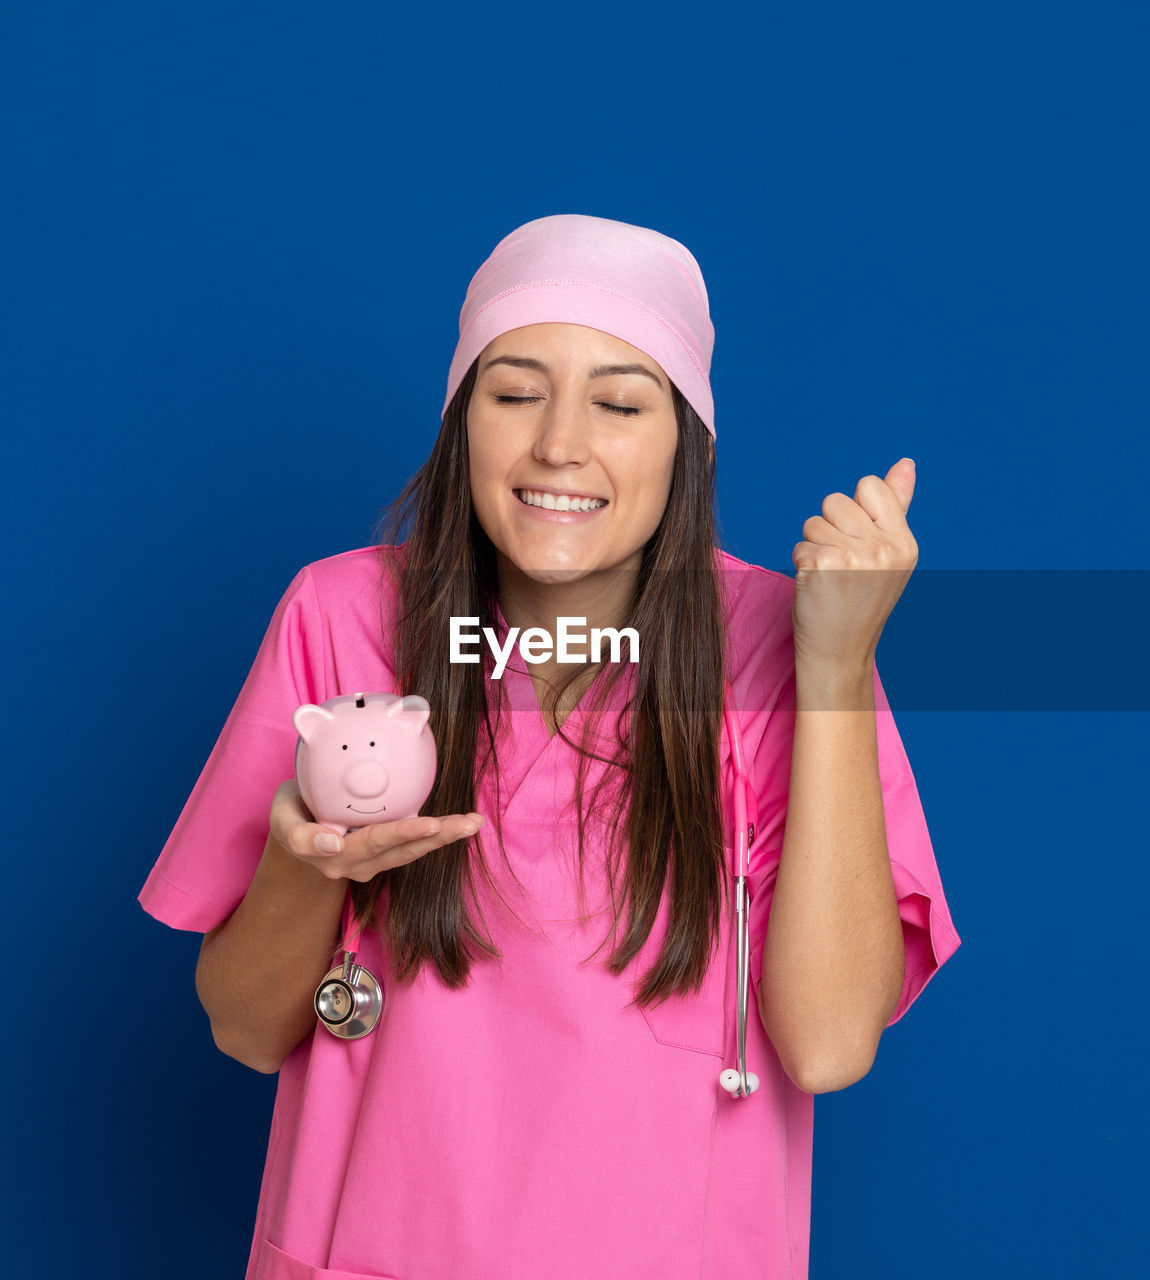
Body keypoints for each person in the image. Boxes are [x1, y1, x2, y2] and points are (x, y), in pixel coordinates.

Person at [139, 213, 960, 1280]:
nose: (559, 443)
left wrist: (838, 670)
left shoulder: (781, 644)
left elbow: (829, 1042)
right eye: (516, 391)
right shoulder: (341, 619)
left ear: (686, 442)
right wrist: (307, 869)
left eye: (619, 402)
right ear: (460, 419)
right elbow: (245, 1028)